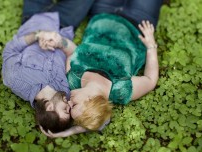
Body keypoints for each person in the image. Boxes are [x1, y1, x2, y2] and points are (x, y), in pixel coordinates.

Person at [41, 0, 164, 137]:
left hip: (103, 12)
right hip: (138, 22)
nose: (69, 102)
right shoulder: (121, 90)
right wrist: (151, 45)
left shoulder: (74, 79)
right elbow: (150, 80)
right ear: (90, 100)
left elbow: (71, 52)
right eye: (74, 105)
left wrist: (59, 42)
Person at [2, 0, 94, 133]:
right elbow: (101, 120)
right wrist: (69, 132)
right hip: (64, 23)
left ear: (50, 107)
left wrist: (38, 35)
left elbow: (10, 50)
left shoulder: (16, 80)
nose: (69, 105)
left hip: (34, 19)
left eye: (65, 109)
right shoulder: (67, 92)